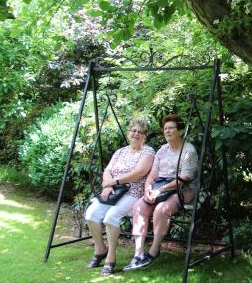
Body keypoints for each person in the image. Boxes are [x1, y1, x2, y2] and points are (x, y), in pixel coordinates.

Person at [124, 114, 199, 271]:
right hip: (159, 187)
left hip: (182, 190)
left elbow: (184, 178)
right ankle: (138, 254)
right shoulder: (163, 150)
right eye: (165, 129)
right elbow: (153, 174)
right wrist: (148, 189)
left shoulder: (188, 150)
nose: (167, 131)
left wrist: (160, 190)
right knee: (139, 207)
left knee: (161, 209)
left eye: (171, 128)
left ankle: (154, 250)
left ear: (180, 131)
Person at [83, 118, 155, 276]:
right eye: (133, 131)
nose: (136, 134)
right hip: (114, 191)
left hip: (133, 192)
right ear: (129, 133)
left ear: (145, 136)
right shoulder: (120, 152)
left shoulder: (148, 152)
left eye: (140, 132)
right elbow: (108, 170)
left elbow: (140, 172)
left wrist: (114, 182)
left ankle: (111, 257)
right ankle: (100, 249)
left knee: (111, 217)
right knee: (91, 214)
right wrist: (108, 186)